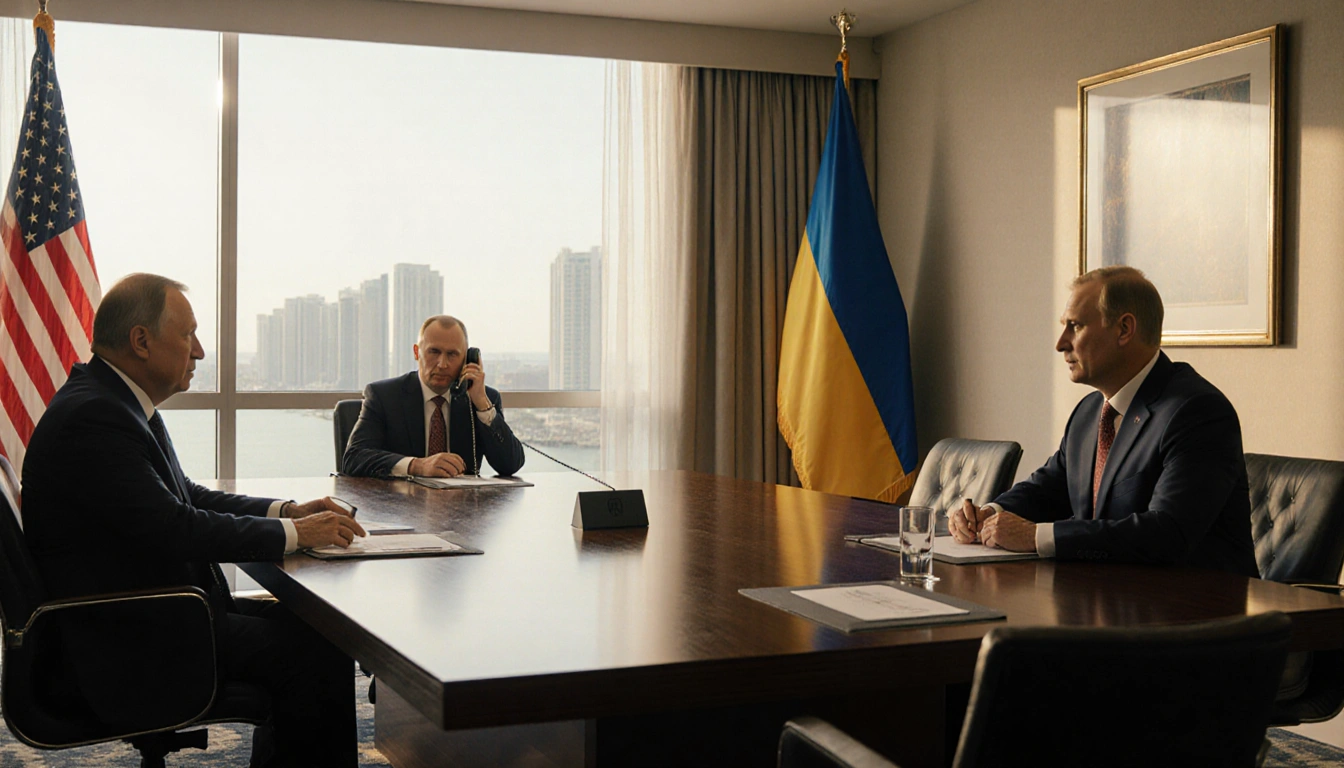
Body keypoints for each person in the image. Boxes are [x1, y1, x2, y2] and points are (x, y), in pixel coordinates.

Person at [22, 273, 365, 768]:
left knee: (323, 634)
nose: (200, 351)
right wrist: (295, 536)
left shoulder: (114, 401)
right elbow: (176, 528)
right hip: (129, 639)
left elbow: (187, 497)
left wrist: (287, 513)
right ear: (141, 341)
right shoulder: (95, 417)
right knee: (312, 658)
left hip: (154, 613)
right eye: (189, 335)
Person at [948, 266, 1258, 576]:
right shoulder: (1089, 412)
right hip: (1108, 599)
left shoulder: (1197, 412)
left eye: (1076, 326)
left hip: (1198, 611)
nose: (1060, 343)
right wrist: (989, 513)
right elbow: (1048, 489)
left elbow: (1166, 533)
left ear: (1124, 329)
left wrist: (1035, 537)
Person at [342, 315, 525, 478]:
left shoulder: (482, 399)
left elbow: (510, 465)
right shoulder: (384, 396)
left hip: (462, 509)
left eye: (452, 354)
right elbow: (354, 458)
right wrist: (417, 465)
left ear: (467, 359)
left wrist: (482, 404)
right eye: (434, 352)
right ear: (417, 352)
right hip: (400, 507)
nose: (442, 364)